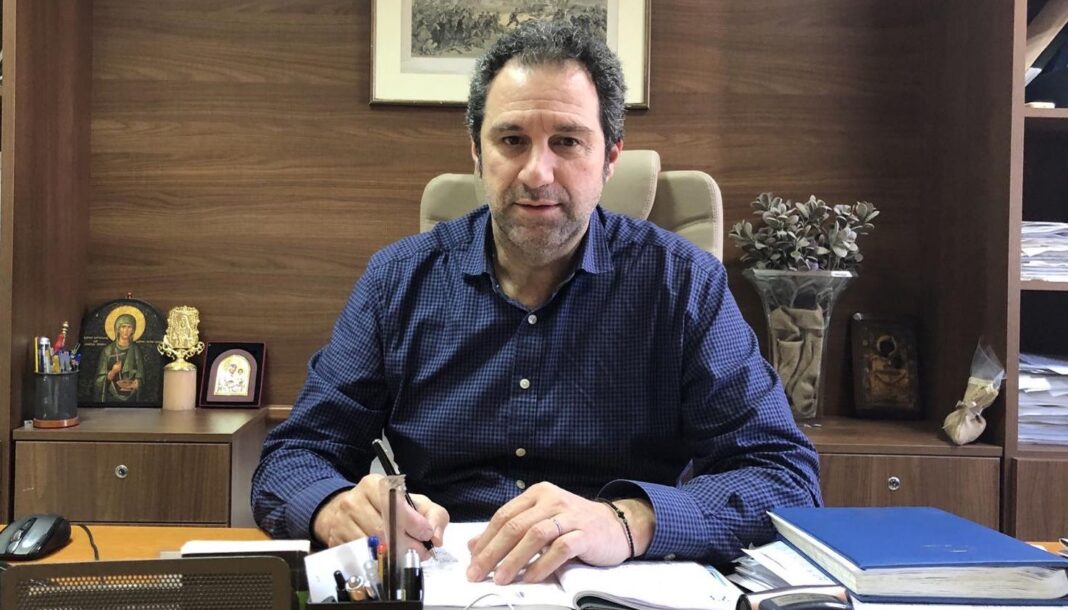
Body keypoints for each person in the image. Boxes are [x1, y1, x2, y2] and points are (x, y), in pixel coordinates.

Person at [252, 21, 820, 585]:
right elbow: (295, 455)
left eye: (567, 141)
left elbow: (784, 475)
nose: (536, 172)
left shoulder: (684, 285)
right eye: (511, 140)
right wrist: (333, 508)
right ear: (477, 154)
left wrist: (627, 521)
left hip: (620, 587)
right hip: (447, 578)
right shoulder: (396, 281)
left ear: (611, 157)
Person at [94, 312, 145, 402]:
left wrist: (137, 382)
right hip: (111, 397)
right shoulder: (108, 350)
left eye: (129, 327)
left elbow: (140, 374)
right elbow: (99, 381)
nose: (126, 330)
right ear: (117, 329)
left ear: (133, 330)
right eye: (123, 327)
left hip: (131, 398)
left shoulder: (135, 350)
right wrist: (113, 372)